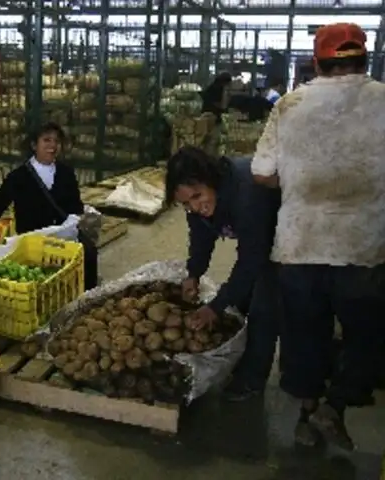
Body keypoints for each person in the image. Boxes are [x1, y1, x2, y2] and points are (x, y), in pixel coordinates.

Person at [251, 23, 385, 450]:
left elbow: (262, 173)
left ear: (319, 61)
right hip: (364, 246)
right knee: (368, 335)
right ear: (364, 57)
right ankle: (335, 405)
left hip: (300, 243)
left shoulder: (290, 105)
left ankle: (308, 415)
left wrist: (301, 183)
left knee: (305, 334)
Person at [165, 146, 281, 402]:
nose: (195, 206)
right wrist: (193, 273)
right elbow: (201, 235)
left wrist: (215, 306)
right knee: (238, 303)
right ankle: (238, 361)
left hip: (284, 237)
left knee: (264, 307)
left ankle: (252, 380)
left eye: (198, 196)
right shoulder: (198, 205)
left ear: (212, 181)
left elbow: (252, 259)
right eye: (186, 203)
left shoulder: (247, 191)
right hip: (257, 241)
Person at [0, 122, 98, 290]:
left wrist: (82, 218)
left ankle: (87, 298)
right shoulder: (18, 177)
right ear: (33, 145)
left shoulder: (66, 173)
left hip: (63, 234)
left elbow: (75, 207)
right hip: (32, 239)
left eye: (56, 141)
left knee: (89, 253)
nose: (52, 146)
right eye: (46, 140)